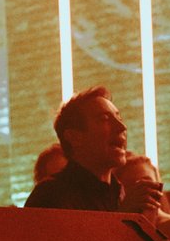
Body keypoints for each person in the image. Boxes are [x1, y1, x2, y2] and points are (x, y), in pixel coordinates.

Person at [25, 87, 160, 216]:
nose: (122, 127)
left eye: (119, 118)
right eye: (104, 119)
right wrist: (126, 216)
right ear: (75, 137)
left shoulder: (118, 193)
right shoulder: (50, 195)